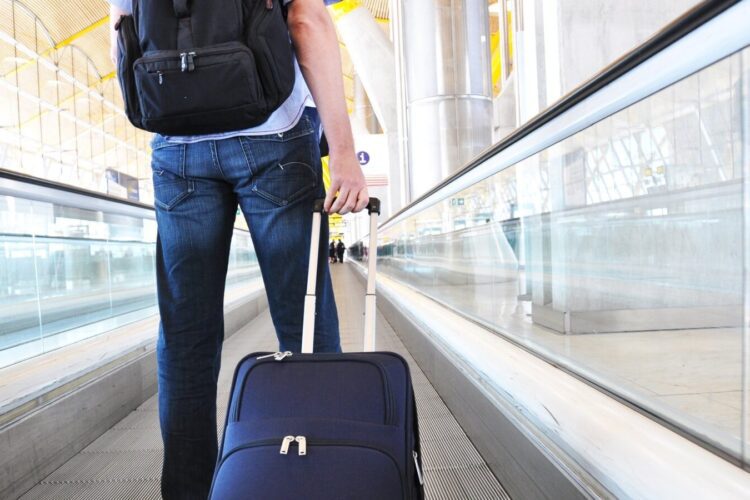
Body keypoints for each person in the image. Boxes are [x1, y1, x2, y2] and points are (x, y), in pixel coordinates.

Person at [109, 1, 369, 498]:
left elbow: (122, 31)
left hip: (177, 146)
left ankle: (190, 491)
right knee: (305, 324)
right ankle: (320, 481)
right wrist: (341, 152)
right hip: (272, 140)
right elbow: (306, 20)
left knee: (186, 337)